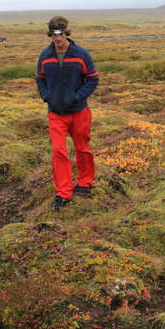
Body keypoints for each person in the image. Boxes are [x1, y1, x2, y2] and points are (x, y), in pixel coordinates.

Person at [35, 16, 99, 211]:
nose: (58, 37)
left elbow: (93, 79)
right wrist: (47, 96)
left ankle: (85, 183)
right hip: (56, 112)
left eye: (61, 33)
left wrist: (77, 97)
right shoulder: (45, 56)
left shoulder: (81, 54)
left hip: (79, 111)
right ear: (50, 35)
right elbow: (40, 79)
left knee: (82, 147)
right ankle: (63, 192)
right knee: (58, 151)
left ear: (66, 33)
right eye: (54, 34)